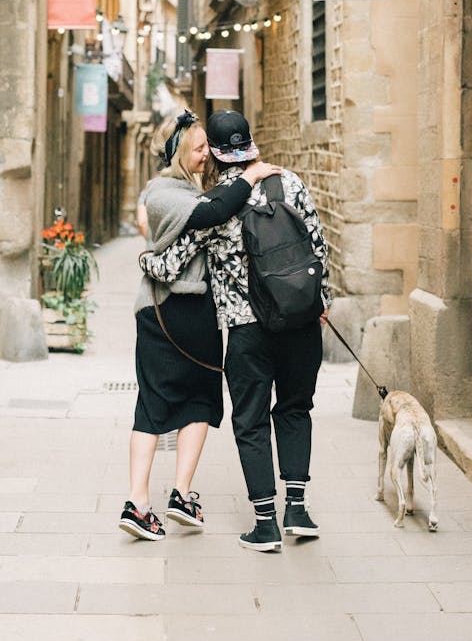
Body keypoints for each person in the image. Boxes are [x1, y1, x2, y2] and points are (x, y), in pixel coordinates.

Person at [140, 109, 332, 553]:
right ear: (251, 146)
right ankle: (297, 509)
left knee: (250, 420)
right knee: (295, 409)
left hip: (247, 331)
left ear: (219, 157)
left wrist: (144, 260)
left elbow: (168, 265)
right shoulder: (291, 183)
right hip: (300, 323)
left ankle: (265, 522)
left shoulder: (212, 207)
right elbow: (318, 246)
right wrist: (321, 301)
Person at [119, 110, 281, 542]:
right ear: (175, 153)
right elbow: (216, 213)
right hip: (167, 313)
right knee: (156, 405)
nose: (207, 153)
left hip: (192, 314)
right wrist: (252, 174)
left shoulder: (189, 188)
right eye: (198, 146)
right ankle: (137, 503)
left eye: (207, 146)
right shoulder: (163, 193)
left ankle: (182, 494)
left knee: (200, 402)